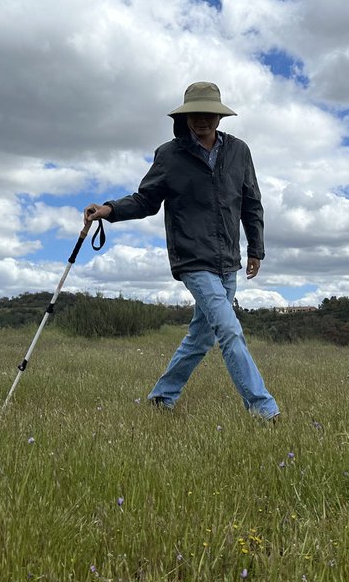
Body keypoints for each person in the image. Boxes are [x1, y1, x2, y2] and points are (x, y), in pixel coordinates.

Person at [84, 81, 280, 420]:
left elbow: (251, 202)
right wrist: (110, 209)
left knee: (200, 338)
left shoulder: (239, 151)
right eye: (195, 114)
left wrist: (256, 249)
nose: (202, 120)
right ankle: (263, 409)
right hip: (192, 258)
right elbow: (146, 200)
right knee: (229, 329)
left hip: (227, 260)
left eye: (209, 114)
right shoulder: (169, 155)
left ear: (219, 117)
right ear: (184, 117)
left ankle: (162, 397)